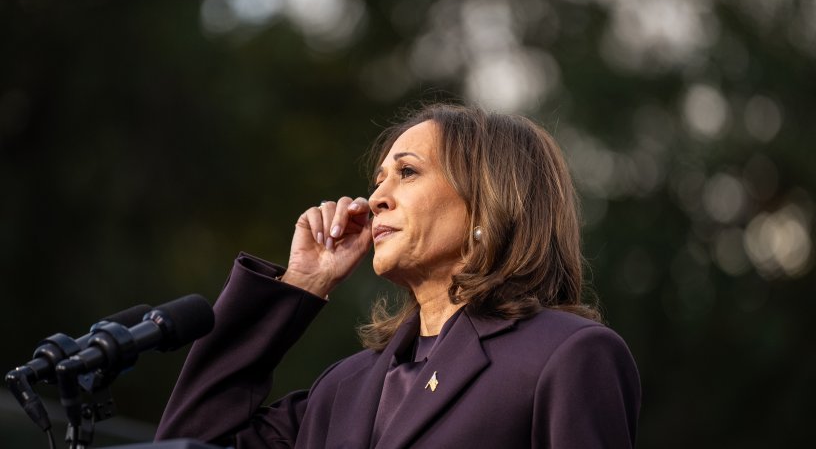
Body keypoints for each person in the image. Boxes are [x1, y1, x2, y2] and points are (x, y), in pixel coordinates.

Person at [155, 103, 641, 448]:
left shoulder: (566, 355)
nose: (374, 200)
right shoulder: (342, 388)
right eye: (378, 180)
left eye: (407, 173)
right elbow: (190, 440)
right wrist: (301, 285)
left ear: (489, 202)